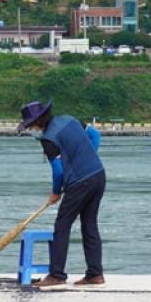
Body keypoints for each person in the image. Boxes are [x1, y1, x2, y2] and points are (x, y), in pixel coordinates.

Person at [17, 100, 106, 288]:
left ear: (38, 122)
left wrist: (56, 192)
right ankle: (95, 274)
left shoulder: (49, 139)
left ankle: (57, 274)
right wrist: (88, 159)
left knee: (62, 225)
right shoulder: (70, 120)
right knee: (89, 224)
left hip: (80, 183)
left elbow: (58, 171)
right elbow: (95, 136)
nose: (31, 128)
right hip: (98, 175)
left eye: (31, 125)